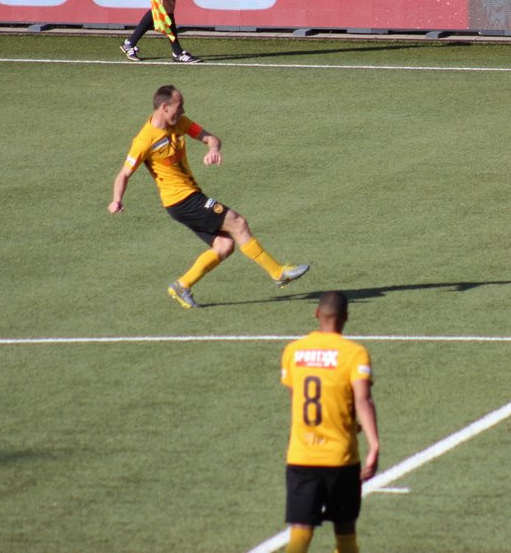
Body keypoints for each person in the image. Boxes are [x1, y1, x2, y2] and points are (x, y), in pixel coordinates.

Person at [109, 85, 311, 309]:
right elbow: (124, 173)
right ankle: (278, 272)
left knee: (224, 246)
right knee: (238, 222)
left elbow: (210, 138)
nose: (183, 111)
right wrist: (117, 199)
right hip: (181, 200)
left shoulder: (180, 123)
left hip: (189, 196)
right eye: (180, 106)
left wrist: (213, 149)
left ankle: (181, 285)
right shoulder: (144, 141)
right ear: (164, 107)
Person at [280, 291, 379, 553]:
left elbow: (296, 397)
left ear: (316, 314)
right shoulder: (354, 354)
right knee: (345, 534)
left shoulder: (293, 351)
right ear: (346, 317)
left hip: (302, 456)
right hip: (341, 459)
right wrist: (374, 444)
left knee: (300, 535)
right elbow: (363, 400)